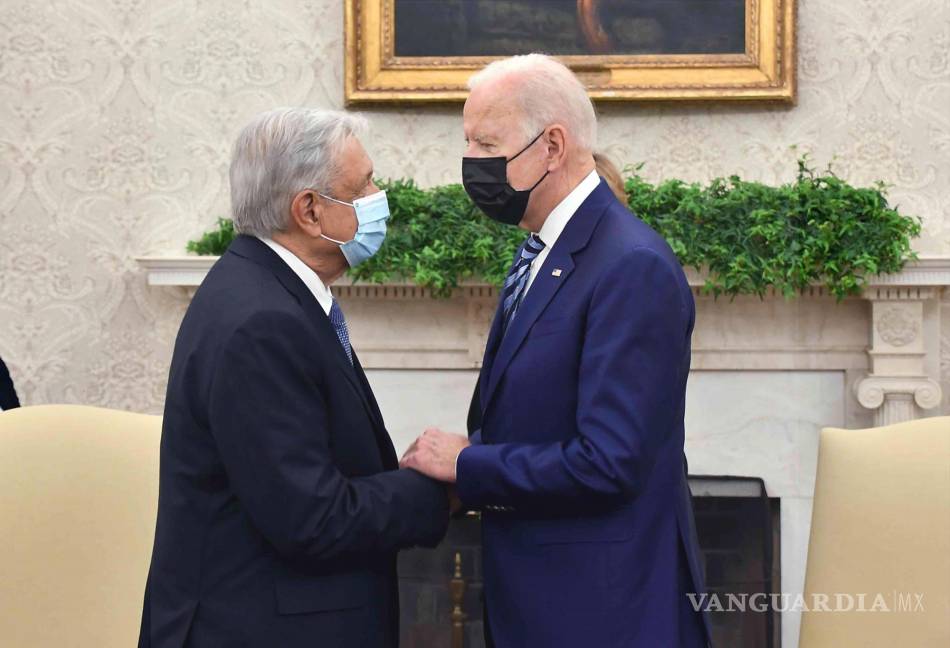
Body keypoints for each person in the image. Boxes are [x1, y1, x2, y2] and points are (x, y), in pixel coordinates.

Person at [401, 54, 711, 648]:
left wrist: (468, 464)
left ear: (552, 146)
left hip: (602, 615)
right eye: (468, 142)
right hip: (540, 604)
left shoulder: (630, 265)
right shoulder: (544, 249)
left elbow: (609, 462)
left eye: (486, 144)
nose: (471, 161)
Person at [139, 108, 449, 648]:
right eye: (363, 185)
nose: (379, 197)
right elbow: (313, 519)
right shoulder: (262, 321)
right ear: (309, 210)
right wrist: (441, 489)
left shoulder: (265, 290)